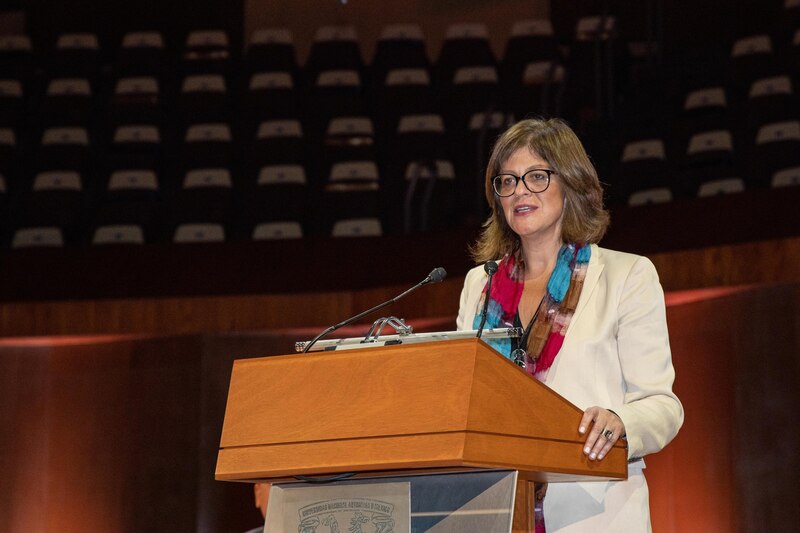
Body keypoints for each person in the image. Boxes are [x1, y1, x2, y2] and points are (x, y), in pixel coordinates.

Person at [456, 118, 683, 531]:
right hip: (496, 510)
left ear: (571, 183)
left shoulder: (625, 275)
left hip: (593, 512)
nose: (520, 190)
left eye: (537, 177)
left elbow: (663, 406)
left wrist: (620, 421)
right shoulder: (480, 286)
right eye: (506, 181)